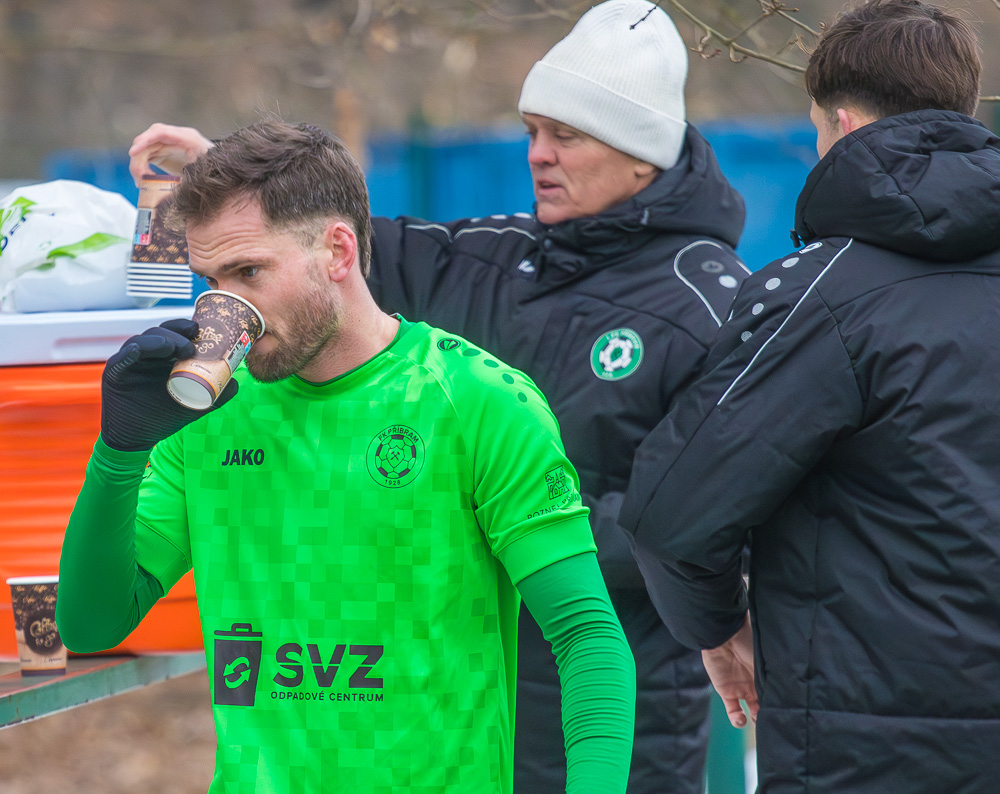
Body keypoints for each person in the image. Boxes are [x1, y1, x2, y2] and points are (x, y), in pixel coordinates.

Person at [126, 3, 749, 790]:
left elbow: (697, 522)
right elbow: (322, 249)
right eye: (532, 130)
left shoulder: (709, 302)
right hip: (455, 697)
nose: (538, 154)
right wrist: (227, 177)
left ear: (640, 152)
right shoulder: (497, 255)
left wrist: (511, 520)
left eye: (567, 135)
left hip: (619, 706)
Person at [57, 119, 636, 794]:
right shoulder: (209, 414)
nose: (223, 307)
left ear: (337, 250)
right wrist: (120, 449)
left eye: (249, 272)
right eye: (210, 279)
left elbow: (587, 639)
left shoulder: (478, 400)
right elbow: (89, 624)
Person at [619, 1, 1000, 791]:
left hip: (862, 756)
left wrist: (719, 628)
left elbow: (673, 517)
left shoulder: (822, 299)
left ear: (842, 126)